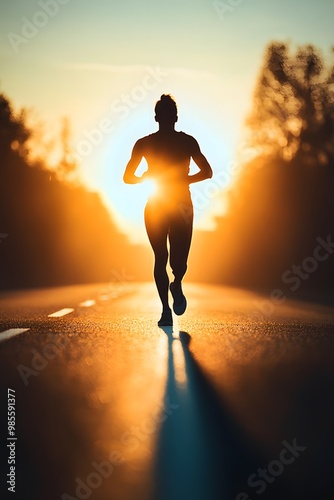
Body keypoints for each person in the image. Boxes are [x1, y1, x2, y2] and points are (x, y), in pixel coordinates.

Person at [123, 94, 213, 326]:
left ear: (175, 117)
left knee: (179, 263)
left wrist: (185, 180)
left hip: (182, 205)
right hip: (156, 205)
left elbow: (208, 171)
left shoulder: (187, 142)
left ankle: (177, 283)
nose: (166, 118)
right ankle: (165, 310)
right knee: (160, 257)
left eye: (169, 115)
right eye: (163, 115)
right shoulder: (143, 144)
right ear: (157, 117)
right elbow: (127, 177)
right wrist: (145, 178)